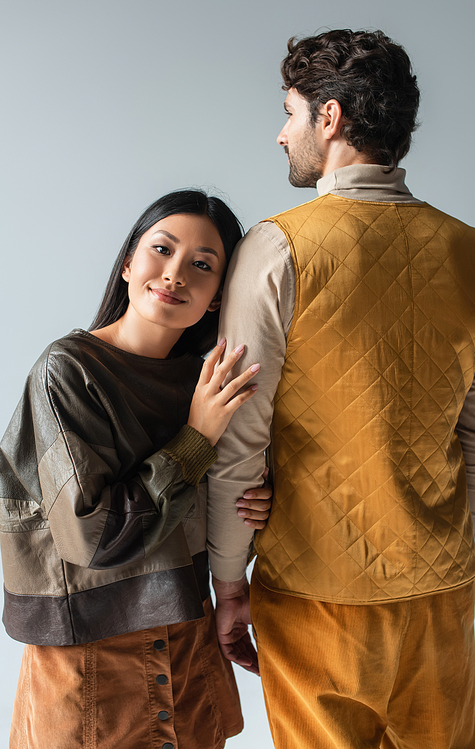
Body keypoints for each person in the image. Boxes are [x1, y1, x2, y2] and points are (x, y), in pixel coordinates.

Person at [206, 29, 475, 749]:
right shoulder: (467, 248)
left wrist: (229, 580)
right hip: (445, 589)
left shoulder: (277, 246)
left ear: (331, 118)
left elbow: (240, 434)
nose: (280, 132)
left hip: (316, 590)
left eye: (290, 111)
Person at [0, 189, 271, 749]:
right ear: (127, 262)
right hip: (95, 659)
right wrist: (195, 440)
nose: (175, 274)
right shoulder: (68, 372)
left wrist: (261, 499)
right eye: (161, 249)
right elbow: (92, 537)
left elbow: (221, 497)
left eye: (202, 264)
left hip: (189, 641)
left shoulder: (207, 382)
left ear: (219, 297)